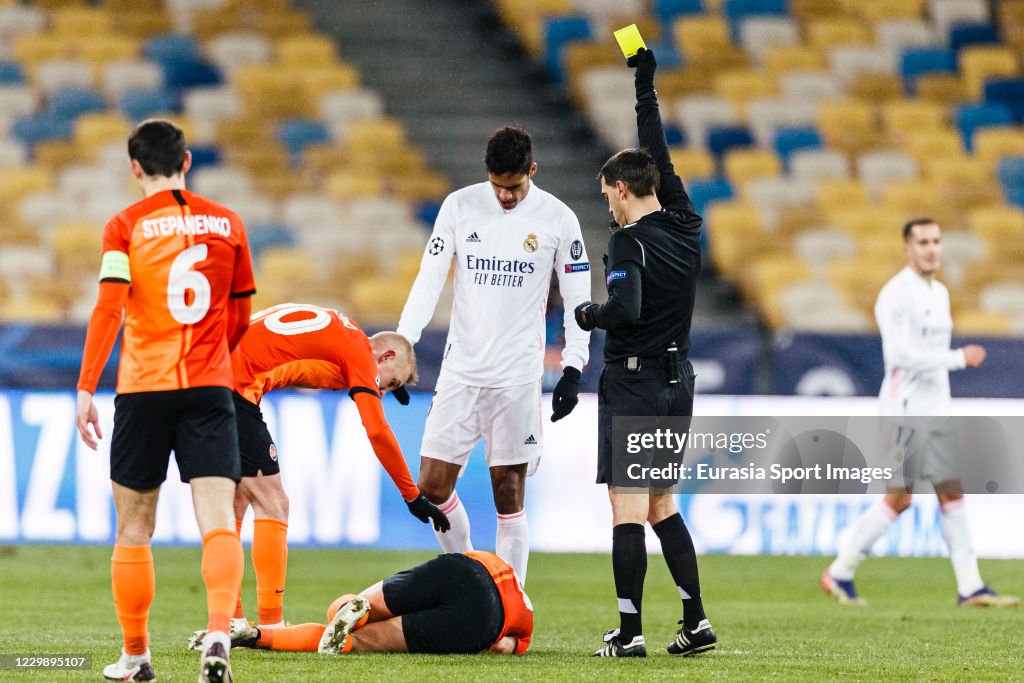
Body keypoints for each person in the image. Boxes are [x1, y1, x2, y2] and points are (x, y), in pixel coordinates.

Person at [75, 119, 255, 683]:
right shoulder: (229, 223)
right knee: (218, 521)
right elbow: (242, 313)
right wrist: (214, 361)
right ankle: (221, 634)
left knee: (133, 527)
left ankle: (135, 657)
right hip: (208, 388)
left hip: (144, 389)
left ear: (135, 167)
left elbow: (109, 309)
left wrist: (85, 387)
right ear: (188, 159)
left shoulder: (124, 226)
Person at [396, 125, 592, 583]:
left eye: (514, 186)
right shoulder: (460, 206)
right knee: (431, 486)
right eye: (497, 185)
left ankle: (513, 604)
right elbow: (429, 278)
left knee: (509, 491)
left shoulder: (558, 219)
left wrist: (573, 366)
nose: (504, 196)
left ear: (532, 171)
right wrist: (405, 343)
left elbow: (579, 296)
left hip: (516, 377)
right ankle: (470, 580)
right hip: (461, 371)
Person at [574, 48, 715, 658]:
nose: (607, 202)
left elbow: (624, 312)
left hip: (633, 383)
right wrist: (645, 87)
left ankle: (630, 633)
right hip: (676, 380)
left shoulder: (628, 242)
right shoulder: (685, 222)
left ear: (624, 191)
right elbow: (658, 154)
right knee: (662, 504)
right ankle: (696, 622)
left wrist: (587, 314)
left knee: (626, 509)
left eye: (609, 192)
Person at [821, 218, 1020, 608]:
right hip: (904, 412)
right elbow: (899, 356)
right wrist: (957, 358)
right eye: (923, 241)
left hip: (935, 409)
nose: (932, 248)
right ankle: (840, 572)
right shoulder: (894, 295)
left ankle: (971, 588)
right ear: (907, 248)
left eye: (936, 241)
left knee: (951, 491)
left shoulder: (940, 292)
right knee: (899, 499)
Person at [225, 302, 450, 633]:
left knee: (234, 505)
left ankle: (229, 619)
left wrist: (380, 384)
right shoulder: (359, 350)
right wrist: (411, 495)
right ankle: (270, 625)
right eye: (390, 383)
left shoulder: (339, 327)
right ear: (386, 356)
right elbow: (377, 430)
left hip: (211, 375)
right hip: (233, 389)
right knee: (274, 503)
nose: (383, 390)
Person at [191, 550, 533, 656]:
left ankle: (255, 633)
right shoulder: (527, 623)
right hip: (483, 615)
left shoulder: (508, 572)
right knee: (356, 643)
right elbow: (504, 647)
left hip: (465, 566)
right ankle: (255, 636)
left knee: (354, 610)